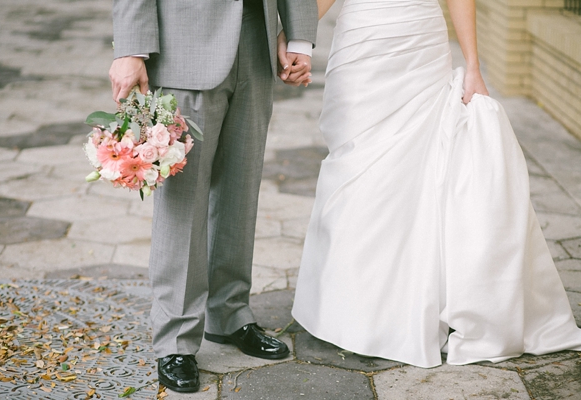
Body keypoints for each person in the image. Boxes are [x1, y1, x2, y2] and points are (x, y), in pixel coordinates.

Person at [291, 0, 581, 368]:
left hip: (418, 44)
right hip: (362, 45)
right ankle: (354, 307)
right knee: (356, 167)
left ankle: (404, 309)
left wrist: (473, 66)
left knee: (415, 172)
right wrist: (294, 37)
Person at [109, 0, 318, 393]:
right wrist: (131, 48)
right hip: (183, 44)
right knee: (182, 201)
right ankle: (175, 338)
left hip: (256, 42)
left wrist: (300, 37)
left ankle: (229, 313)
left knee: (241, 190)